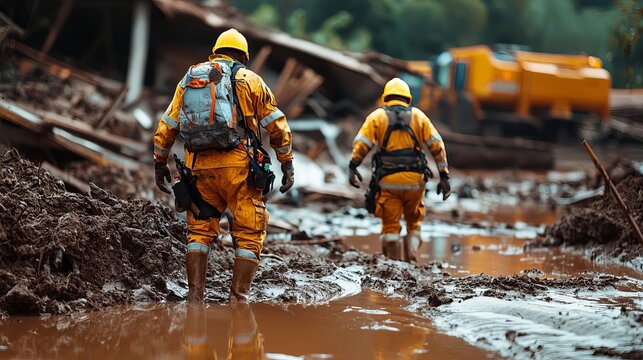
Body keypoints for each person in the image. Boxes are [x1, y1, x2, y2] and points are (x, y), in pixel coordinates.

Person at [153, 28, 295, 304]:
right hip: (240, 167)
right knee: (249, 233)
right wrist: (286, 162)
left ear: (216, 52)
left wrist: (160, 162)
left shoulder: (190, 79)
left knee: (199, 231)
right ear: (243, 56)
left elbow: (167, 125)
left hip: (198, 168)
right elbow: (277, 125)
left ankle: (195, 298)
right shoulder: (250, 79)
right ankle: (238, 300)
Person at [348, 78, 450, 263]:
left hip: (388, 182)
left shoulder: (377, 117)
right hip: (415, 182)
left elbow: (362, 144)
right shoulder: (419, 117)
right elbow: (437, 146)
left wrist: (353, 166)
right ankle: (410, 259)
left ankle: (394, 266)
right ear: (408, 99)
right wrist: (444, 176)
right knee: (414, 224)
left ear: (385, 98)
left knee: (390, 227)